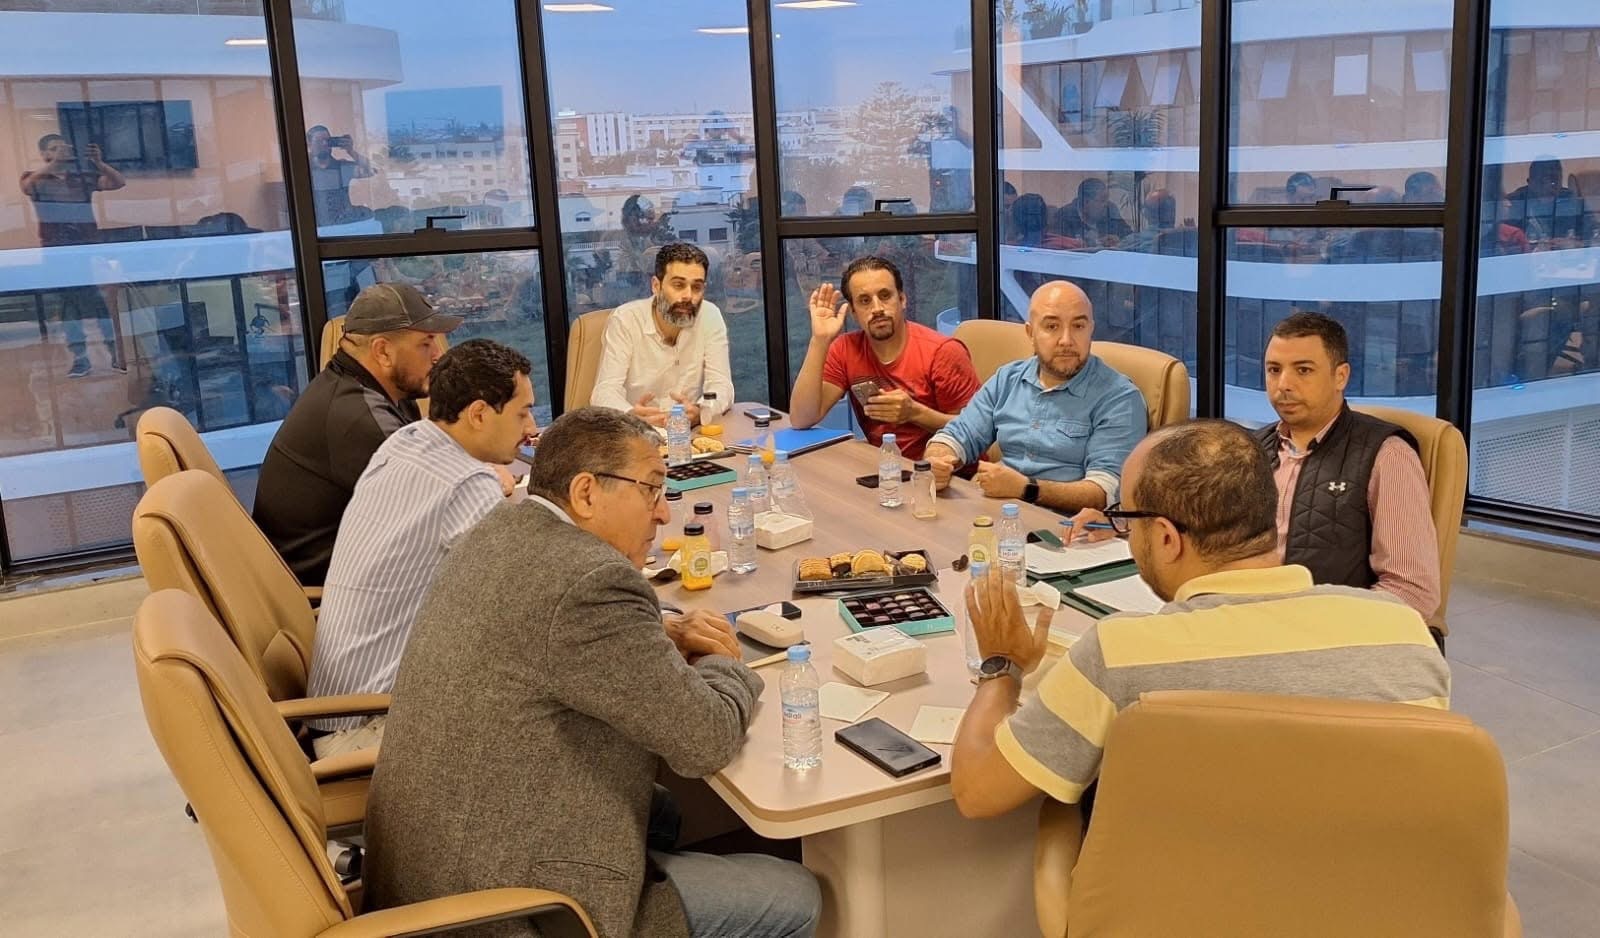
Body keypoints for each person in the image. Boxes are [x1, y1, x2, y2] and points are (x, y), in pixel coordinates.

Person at [363, 407, 821, 938]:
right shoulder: (591, 582)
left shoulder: (502, 527)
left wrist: (661, 632)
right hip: (508, 911)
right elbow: (706, 739)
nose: (662, 513)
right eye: (651, 489)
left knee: (667, 811)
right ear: (585, 493)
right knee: (796, 897)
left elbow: (545, 633)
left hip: (431, 865)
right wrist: (725, 659)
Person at [950, 420, 1450, 820]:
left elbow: (977, 791)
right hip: (1374, 902)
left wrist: (1002, 666)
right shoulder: (1404, 632)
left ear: (1167, 538)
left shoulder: (1119, 654)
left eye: (1127, 518)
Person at [303, 340, 536, 758]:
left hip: (339, 708)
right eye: (522, 413)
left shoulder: (406, 441)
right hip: (372, 725)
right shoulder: (467, 484)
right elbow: (524, 604)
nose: (531, 428)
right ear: (479, 414)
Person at [253, 283, 461, 586]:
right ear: (383, 351)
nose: (438, 355)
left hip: (362, 563)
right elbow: (443, 506)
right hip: (340, 590)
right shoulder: (357, 417)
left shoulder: (378, 391)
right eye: (426, 343)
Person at [922, 281, 1146, 513]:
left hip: (1066, 527)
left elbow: (1104, 493)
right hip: (997, 513)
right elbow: (958, 434)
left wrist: (1026, 489)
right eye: (1052, 327)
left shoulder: (1119, 398)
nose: (1066, 340)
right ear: (1030, 333)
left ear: (1091, 329)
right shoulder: (1008, 378)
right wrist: (938, 459)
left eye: (1078, 326)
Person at [789, 256, 981, 459]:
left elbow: (976, 429)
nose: (877, 308)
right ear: (853, 311)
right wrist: (819, 340)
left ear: (902, 300)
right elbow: (802, 419)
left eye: (885, 296)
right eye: (865, 301)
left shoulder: (943, 352)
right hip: (885, 467)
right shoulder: (845, 349)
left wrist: (915, 413)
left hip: (948, 470)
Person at [591, 241, 734, 427]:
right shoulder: (626, 320)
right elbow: (605, 391)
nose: (688, 296)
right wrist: (631, 416)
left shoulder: (709, 316)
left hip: (689, 432)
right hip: (636, 433)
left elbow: (721, 385)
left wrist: (701, 411)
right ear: (656, 286)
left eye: (696, 287)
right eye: (678, 285)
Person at [21, 133, 127, 378]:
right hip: (56, 251)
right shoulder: (34, 177)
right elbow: (27, 188)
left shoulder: (82, 176)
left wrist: (99, 163)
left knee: (99, 303)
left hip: (88, 249)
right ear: (44, 154)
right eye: (54, 148)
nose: (62, 150)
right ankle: (80, 360)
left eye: (64, 147)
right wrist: (53, 165)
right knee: (69, 305)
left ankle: (115, 355)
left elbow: (118, 182)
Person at [1503, 158, 1590, 246]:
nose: (1548, 187)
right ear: (1530, 182)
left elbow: (1592, 236)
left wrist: (1574, 243)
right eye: (1541, 182)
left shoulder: (1572, 200)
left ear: (1561, 181)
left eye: (1554, 182)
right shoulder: (1515, 202)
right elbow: (1507, 243)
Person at [305, 125, 374, 226]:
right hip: (314, 226)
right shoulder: (302, 170)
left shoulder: (342, 167)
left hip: (343, 224)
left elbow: (371, 170)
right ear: (309, 144)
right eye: (318, 141)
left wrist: (351, 151)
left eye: (327, 140)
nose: (324, 144)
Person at [1050, 178, 1130, 247]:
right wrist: (1097, 242)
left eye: (1107, 199)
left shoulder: (1110, 209)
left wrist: (1120, 239)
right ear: (1086, 202)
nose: (1106, 204)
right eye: (1102, 200)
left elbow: (1129, 235)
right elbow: (1058, 247)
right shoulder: (1064, 217)